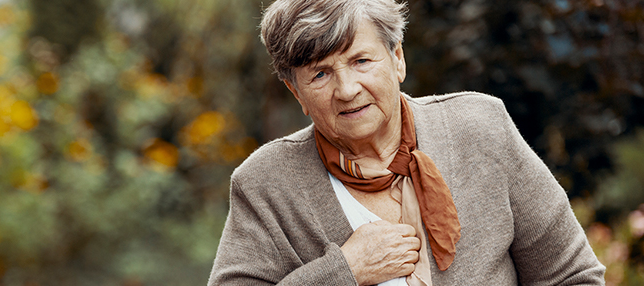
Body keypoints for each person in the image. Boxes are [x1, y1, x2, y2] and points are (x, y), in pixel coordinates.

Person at [208, 0, 606, 285]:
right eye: (320, 74)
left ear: (397, 58)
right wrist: (345, 272)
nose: (347, 89)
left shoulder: (480, 128)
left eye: (361, 60)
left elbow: (572, 276)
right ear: (297, 94)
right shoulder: (265, 183)